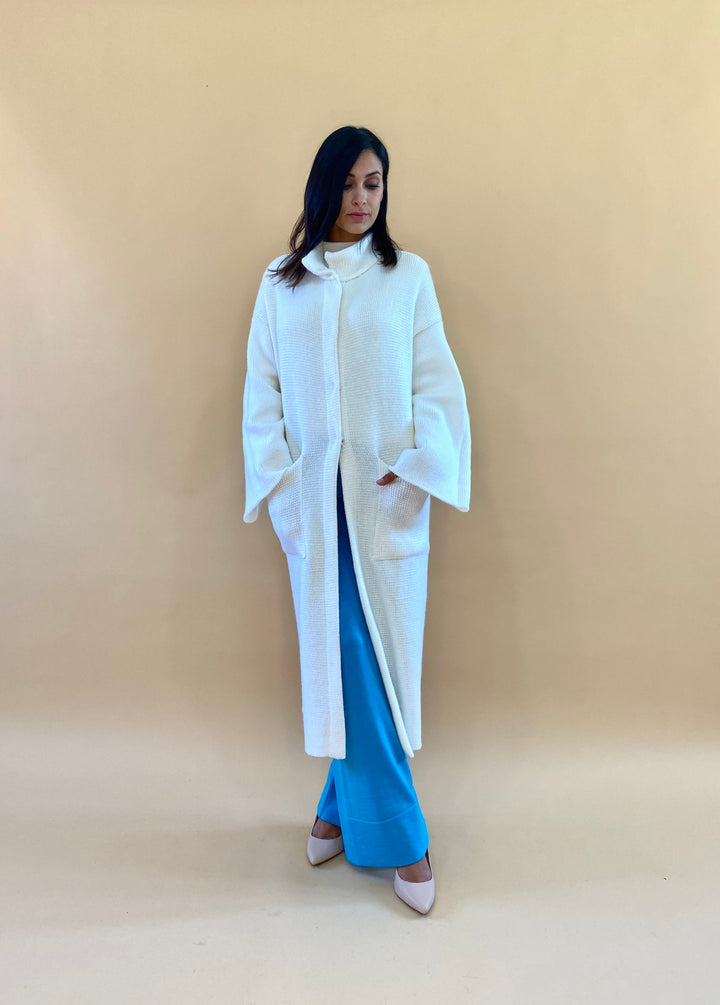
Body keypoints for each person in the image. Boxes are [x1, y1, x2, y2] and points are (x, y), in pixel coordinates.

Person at [242, 126, 470, 914]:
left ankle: (348, 810)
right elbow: (260, 397)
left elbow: (439, 389)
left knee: (366, 652)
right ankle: (401, 830)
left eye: (374, 183)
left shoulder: (407, 277)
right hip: (314, 507)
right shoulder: (282, 283)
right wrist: (278, 488)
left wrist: (414, 471)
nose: (361, 199)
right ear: (323, 187)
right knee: (343, 649)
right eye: (347, 183)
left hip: (381, 503)